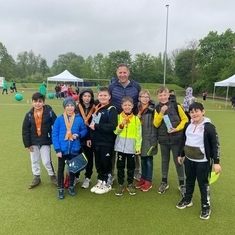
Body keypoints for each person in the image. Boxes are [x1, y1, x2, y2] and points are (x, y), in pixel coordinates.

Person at [176, 102, 221, 220]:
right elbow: (183, 140)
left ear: (203, 112)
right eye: (191, 112)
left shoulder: (209, 127)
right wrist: (180, 154)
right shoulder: (188, 125)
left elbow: (215, 144)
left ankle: (206, 206)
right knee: (189, 180)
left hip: (203, 161)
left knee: (203, 184)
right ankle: (187, 199)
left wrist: (216, 162)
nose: (194, 114)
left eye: (197, 111)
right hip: (189, 160)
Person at [108, 63, 142, 181]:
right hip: (116, 121)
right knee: (114, 147)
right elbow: (106, 100)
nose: (122, 75)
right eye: (120, 73)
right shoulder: (112, 87)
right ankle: (111, 173)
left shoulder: (136, 86)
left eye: (124, 72)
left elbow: (142, 100)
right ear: (117, 73)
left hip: (133, 120)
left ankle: (136, 172)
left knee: (133, 145)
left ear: (128, 73)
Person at [153, 86, 188, 196]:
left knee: (178, 161)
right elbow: (156, 124)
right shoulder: (157, 108)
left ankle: (182, 184)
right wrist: (161, 113)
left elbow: (185, 119)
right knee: (164, 161)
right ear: (157, 96)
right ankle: (164, 182)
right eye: (160, 95)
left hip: (176, 139)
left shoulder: (176, 106)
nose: (162, 97)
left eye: (164, 95)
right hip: (163, 140)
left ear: (168, 95)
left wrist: (176, 129)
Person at [52, 97, 87, 199]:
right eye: (67, 105)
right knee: (61, 169)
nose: (70, 107)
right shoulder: (59, 119)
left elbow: (84, 130)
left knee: (72, 169)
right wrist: (57, 149)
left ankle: (71, 186)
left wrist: (79, 134)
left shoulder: (79, 119)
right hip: (62, 150)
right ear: (64, 107)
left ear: (74, 106)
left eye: (72, 105)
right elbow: (55, 134)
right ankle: (60, 188)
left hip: (74, 149)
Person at [22, 92, 58, 189]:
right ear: (32, 102)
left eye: (40, 101)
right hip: (33, 142)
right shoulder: (29, 115)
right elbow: (25, 130)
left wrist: (55, 138)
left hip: (45, 141)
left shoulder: (50, 112)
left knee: (46, 161)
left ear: (44, 102)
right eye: (35, 101)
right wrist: (28, 144)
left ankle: (52, 176)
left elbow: (57, 124)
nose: (37, 104)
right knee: (34, 160)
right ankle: (36, 177)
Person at [89, 87, 118, 194]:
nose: (103, 97)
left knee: (106, 163)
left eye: (105, 95)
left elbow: (112, 126)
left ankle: (107, 183)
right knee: (99, 162)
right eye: (101, 95)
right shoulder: (97, 108)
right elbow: (92, 125)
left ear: (109, 97)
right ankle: (100, 180)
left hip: (106, 141)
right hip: (96, 141)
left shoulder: (112, 109)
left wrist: (97, 126)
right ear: (98, 96)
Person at [114, 96, 142, 196]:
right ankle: (120, 184)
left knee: (131, 167)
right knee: (120, 167)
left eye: (129, 105)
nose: (127, 107)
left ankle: (130, 184)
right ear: (122, 106)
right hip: (120, 147)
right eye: (125, 105)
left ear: (132, 106)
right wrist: (121, 125)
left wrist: (138, 147)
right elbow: (115, 131)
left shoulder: (136, 119)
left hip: (131, 148)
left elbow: (139, 135)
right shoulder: (118, 117)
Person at [134, 90, 158, 192]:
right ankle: (143, 178)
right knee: (143, 159)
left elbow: (156, 125)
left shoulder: (153, 108)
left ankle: (148, 180)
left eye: (147, 96)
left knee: (149, 160)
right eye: (143, 96)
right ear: (139, 98)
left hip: (150, 137)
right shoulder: (137, 108)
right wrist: (137, 118)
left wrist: (154, 140)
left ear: (150, 97)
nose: (145, 98)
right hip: (140, 138)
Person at [76, 88, 96, 188]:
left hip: (90, 138)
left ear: (92, 97)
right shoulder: (76, 107)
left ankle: (87, 178)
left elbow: (94, 124)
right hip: (78, 137)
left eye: (89, 96)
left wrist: (89, 138)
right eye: (85, 96)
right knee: (78, 157)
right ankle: (76, 176)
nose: (87, 98)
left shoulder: (95, 108)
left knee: (89, 158)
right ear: (81, 97)